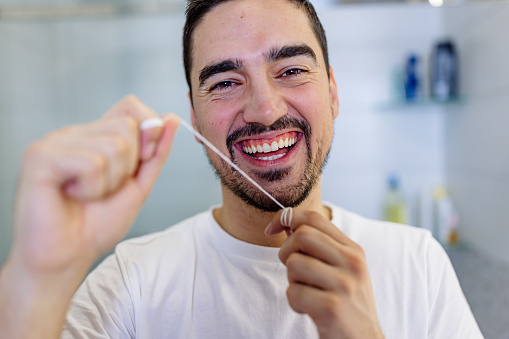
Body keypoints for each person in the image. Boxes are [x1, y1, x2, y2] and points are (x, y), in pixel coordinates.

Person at [0, 0, 482, 338]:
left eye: (291, 70)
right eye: (226, 82)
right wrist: (40, 275)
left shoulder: (418, 263)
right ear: (194, 116)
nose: (265, 110)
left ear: (333, 92)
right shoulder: (132, 283)